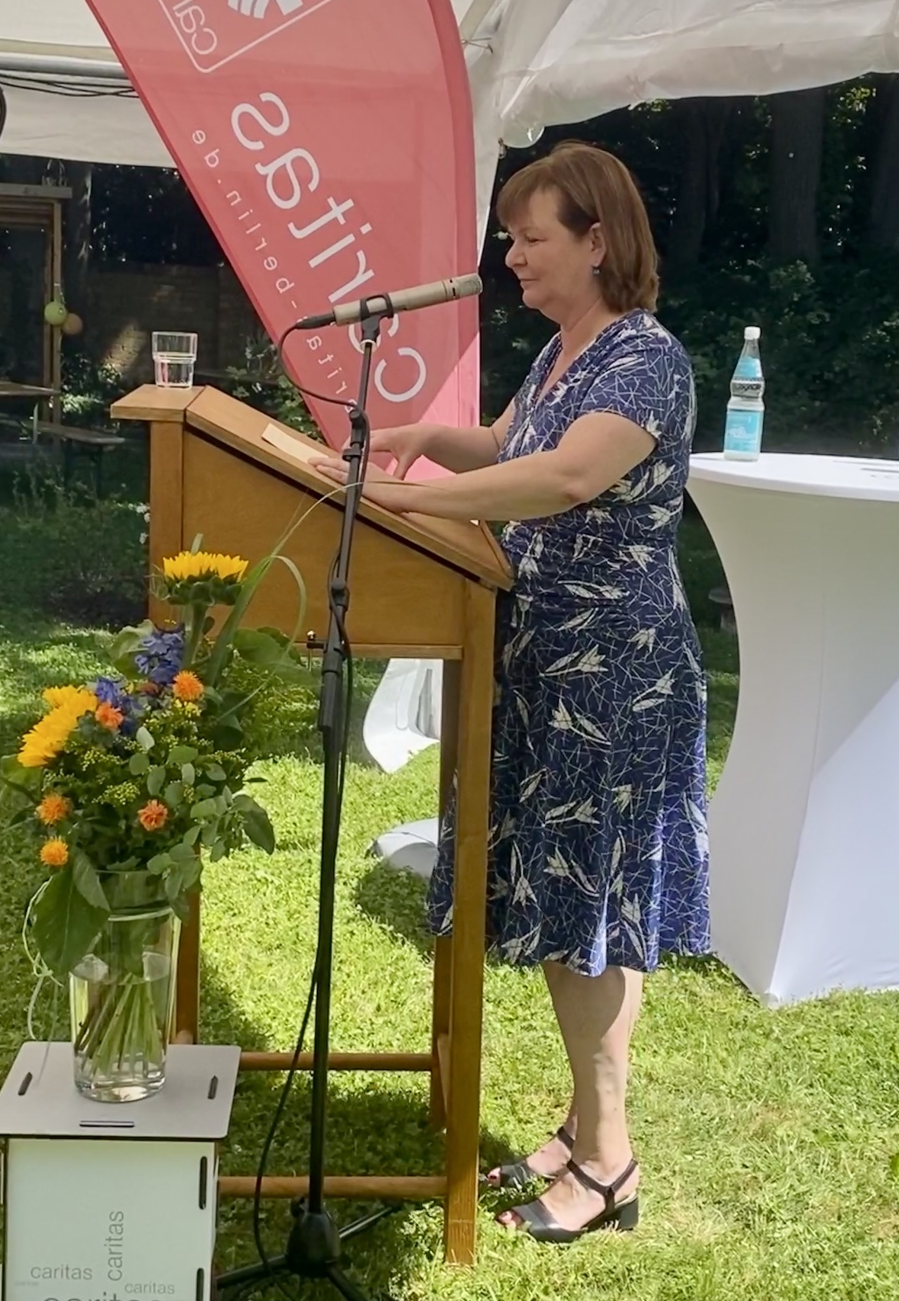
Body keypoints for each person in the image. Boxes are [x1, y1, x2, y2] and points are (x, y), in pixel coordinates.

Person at [313, 140, 708, 1244]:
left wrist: (410, 505)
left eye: (532, 238)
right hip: (542, 667)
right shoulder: (565, 350)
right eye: (510, 238)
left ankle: (610, 1163)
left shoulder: (645, 358)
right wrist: (423, 440)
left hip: (613, 678)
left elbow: (567, 476)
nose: (513, 257)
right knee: (564, 908)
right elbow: (504, 445)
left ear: (598, 240)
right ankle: (583, 1126)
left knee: (591, 916)